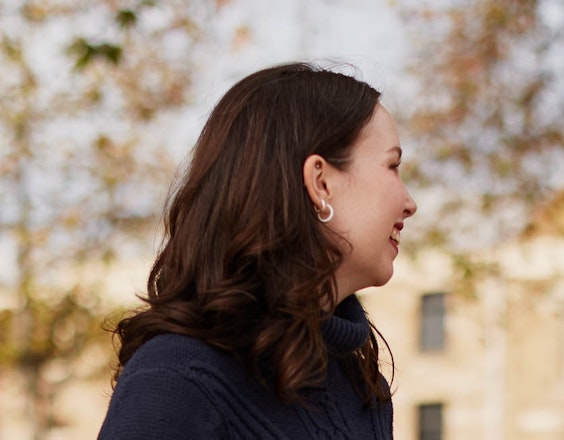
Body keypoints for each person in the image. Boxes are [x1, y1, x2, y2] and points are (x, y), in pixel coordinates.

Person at [99, 62, 416, 439]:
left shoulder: (362, 390)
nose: (410, 203)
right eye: (392, 165)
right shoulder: (177, 381)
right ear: (321, 183)